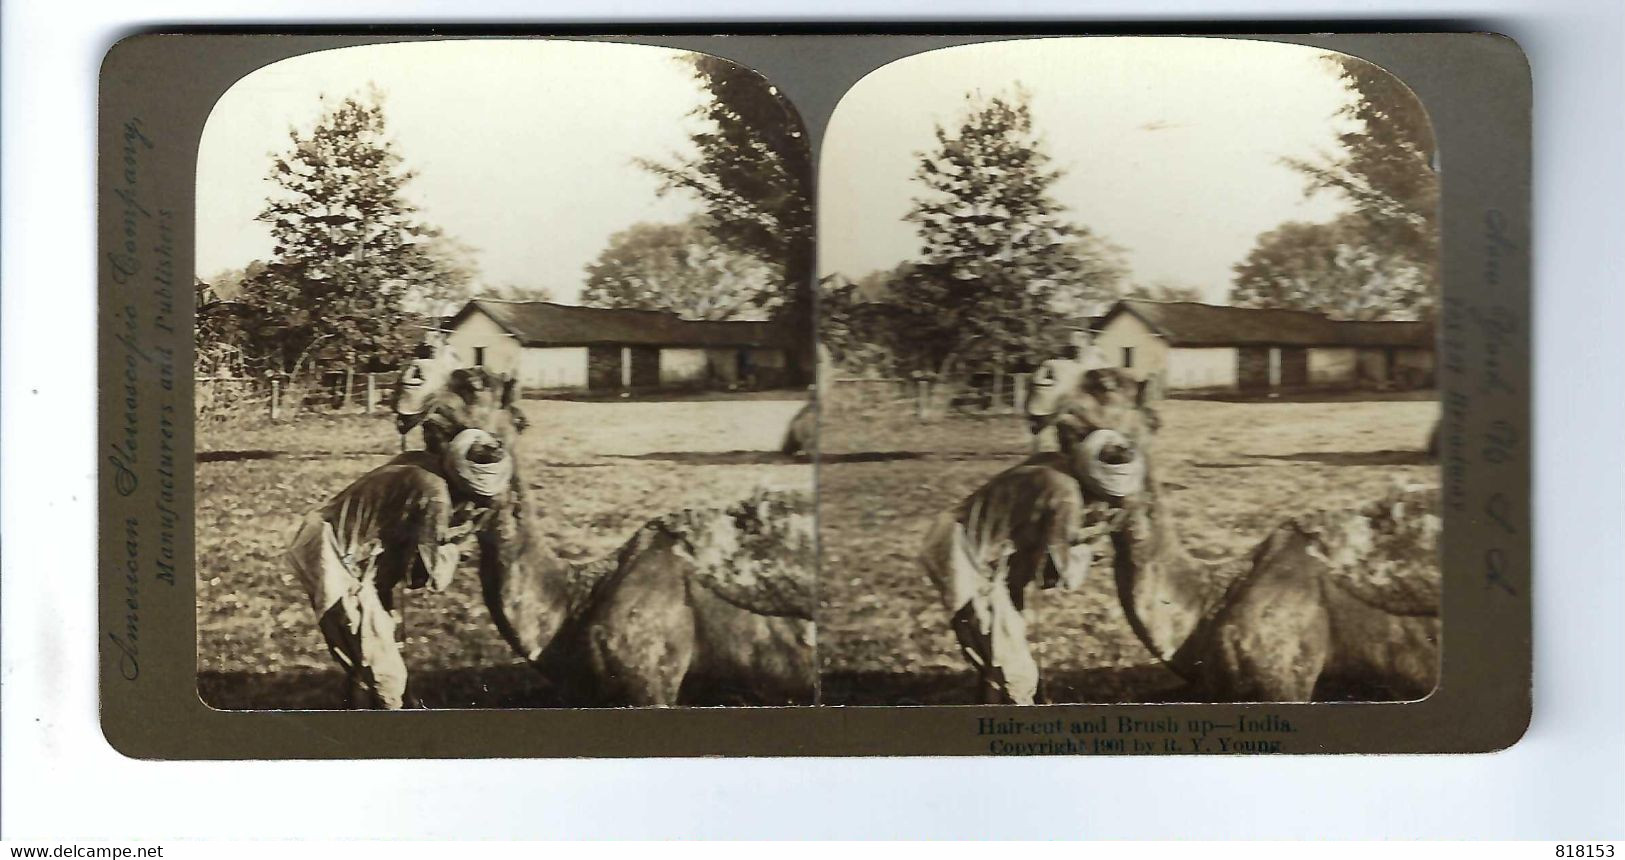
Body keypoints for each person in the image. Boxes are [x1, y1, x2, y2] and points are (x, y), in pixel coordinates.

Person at [285, 427, 513, 709]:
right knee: (385, 670)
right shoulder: (435, 496)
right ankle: (389, 728)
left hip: (342, 540)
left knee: (370, 644)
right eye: (479, 500)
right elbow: (426, 576)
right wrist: (458, 543)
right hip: (333, 555)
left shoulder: (422, 461)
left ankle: (365, 707)